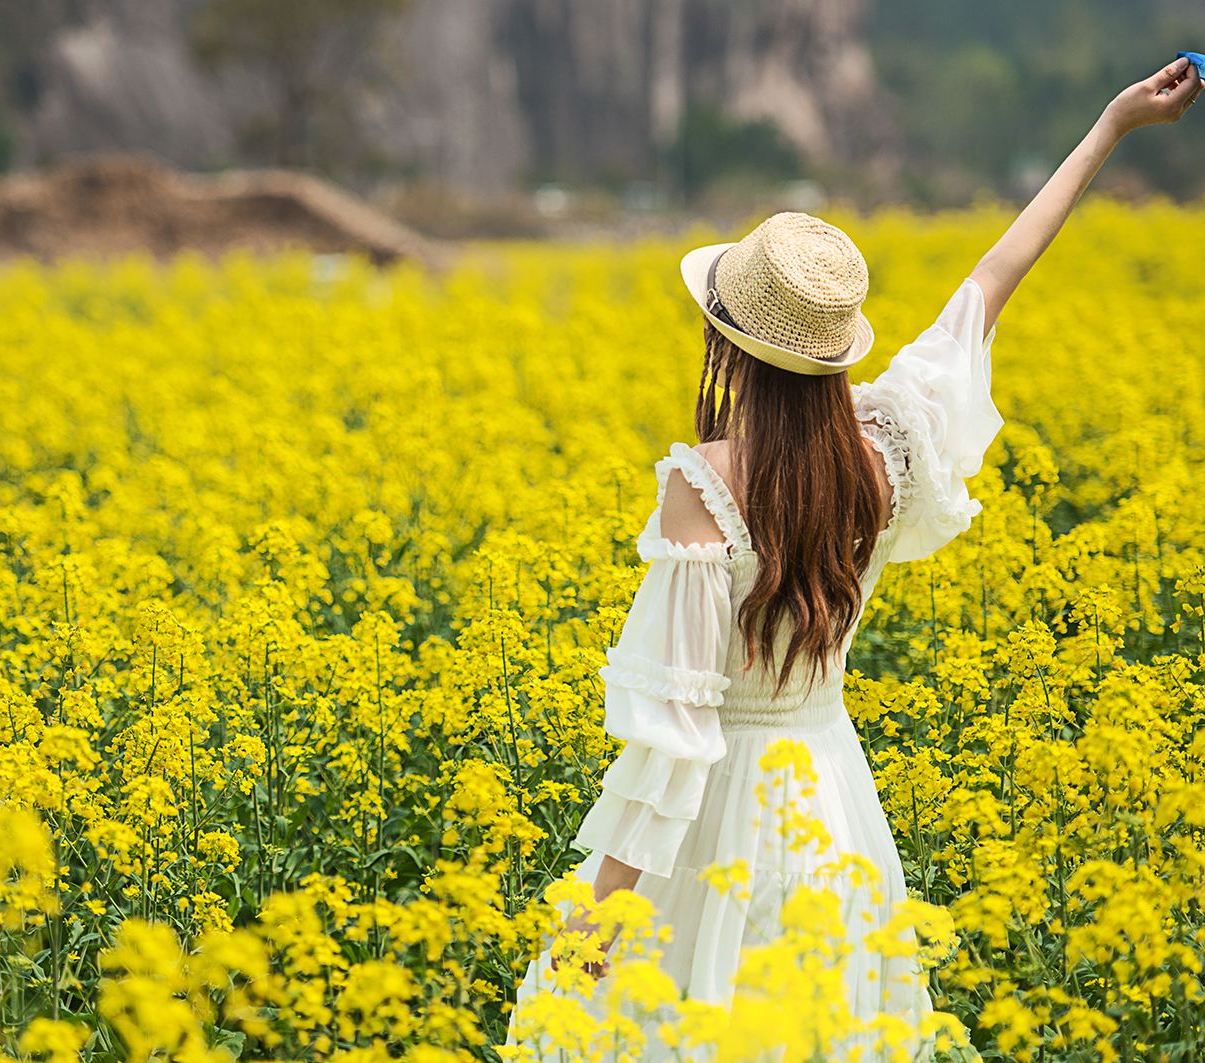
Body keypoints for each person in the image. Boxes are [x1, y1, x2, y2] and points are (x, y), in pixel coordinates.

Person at [506, 55, 1202, 1062]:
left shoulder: (703, 480)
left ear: (730, 346)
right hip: (832, 805)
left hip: (715, 826)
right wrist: (1107, 131)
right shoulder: (882, 454)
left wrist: (594, 930)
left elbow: (675, 738)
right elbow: (985, 291)